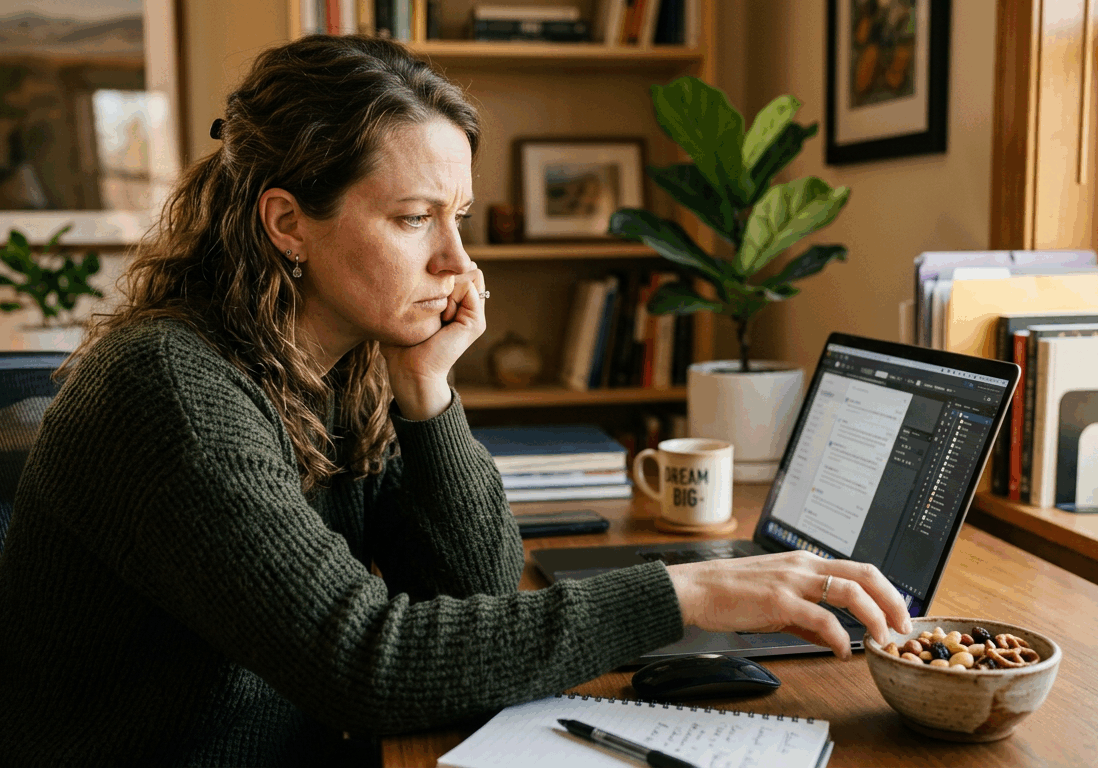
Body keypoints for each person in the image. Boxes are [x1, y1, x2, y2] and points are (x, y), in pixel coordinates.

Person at [0, 35, 911, 766]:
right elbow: (368, 662)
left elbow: (470, 586)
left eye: (460, 218)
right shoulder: (172, 389)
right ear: (287, 224)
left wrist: (429, 393)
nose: (458, 264)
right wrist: (686, 593)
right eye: (411, 219)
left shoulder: (350, 359)